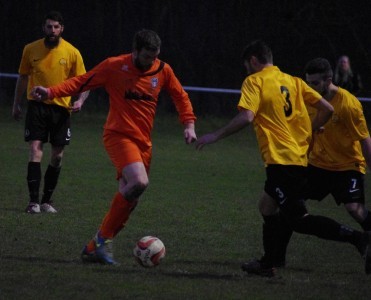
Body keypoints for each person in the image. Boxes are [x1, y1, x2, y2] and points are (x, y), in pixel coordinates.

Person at [195, 40, 371, 277]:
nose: (247, 70)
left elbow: (247, 117)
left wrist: (215, 135)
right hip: (298, 158)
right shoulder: (294, 81)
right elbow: (327, 109)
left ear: (254, 61)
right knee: (267, 206)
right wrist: (308, 130)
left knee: (298, 219)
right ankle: (270, 262)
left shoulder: (254, 81)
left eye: (247, 65)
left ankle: (358, 238)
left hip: (282, 161)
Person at [31, 29, 197, 264]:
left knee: (131, 198)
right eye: (148, 57)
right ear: (135, 50)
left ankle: (95, 247)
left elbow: (181, 96)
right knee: (139, 182)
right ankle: (100, 241)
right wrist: (50, 92)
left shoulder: (162, 70)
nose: (152, 61)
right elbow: (81, 82)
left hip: (143, 144)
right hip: (118, 136)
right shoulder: (114, 66)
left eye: (155, 56)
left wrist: (189, 125)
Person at [12, 11, 89, 214]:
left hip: (61, 109)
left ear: (61, 29)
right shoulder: (30, 49)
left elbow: (85, 82)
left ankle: (46, 201)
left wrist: (80, 100)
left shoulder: (72, 52)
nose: (52, 30)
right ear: (43, 28)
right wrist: (16, 104)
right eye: (49, 27)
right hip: (36, 106)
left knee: (57, 155)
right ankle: (33, 202)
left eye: (56, 27)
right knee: (35, 148)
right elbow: (22, 77)